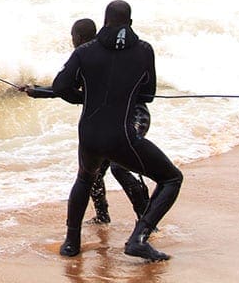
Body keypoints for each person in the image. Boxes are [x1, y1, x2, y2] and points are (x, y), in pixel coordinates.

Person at [52, 0, 183, 262]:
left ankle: (71, 243)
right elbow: (148, 94)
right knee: (171, 179)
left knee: (84, 179)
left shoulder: (85, 51)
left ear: (104, 22)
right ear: (130, 23)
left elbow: (60, 86)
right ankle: (139, 238)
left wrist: (85, 98)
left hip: (89, 134)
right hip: (122, 135)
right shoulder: (144, 50)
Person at [23, 18, 151, 223]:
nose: (72, 40)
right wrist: (37, 91)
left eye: (73, 36)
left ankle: (146, 220)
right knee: (95, 172)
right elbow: (67, 88)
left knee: (119, 166)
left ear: (79, 37)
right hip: (110, 120)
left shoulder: (95, 55)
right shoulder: (89, 55)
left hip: (134, 116)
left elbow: (73, 91)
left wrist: (41, 92)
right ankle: (102, 216)